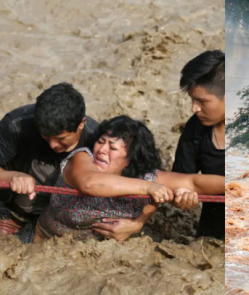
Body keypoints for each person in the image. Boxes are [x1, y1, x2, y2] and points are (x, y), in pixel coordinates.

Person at [35, 116, 225, 241]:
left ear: (131, 158)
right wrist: (148, 188)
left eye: (113, 148)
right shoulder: (81, 158)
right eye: (100, 142)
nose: (101, 150)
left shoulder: (147, 176)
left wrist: (244, 185)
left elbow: (194, 182)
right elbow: (90, 184)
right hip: (44, 245)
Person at [0, 82, 99, 242]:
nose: (53, 145)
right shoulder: (16, 124)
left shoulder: (98, 140)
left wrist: (134, 223)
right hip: (9, 205)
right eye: (45, 137)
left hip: (53, 218)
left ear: (81, 124)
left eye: (61, 138)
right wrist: (11, 176)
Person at [171, 50, 225, 240]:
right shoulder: (195, 127)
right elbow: (179, 179)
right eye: (192, 100)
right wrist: (181, 196)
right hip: (212, 235)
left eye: (202, 101)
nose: (195, 108)